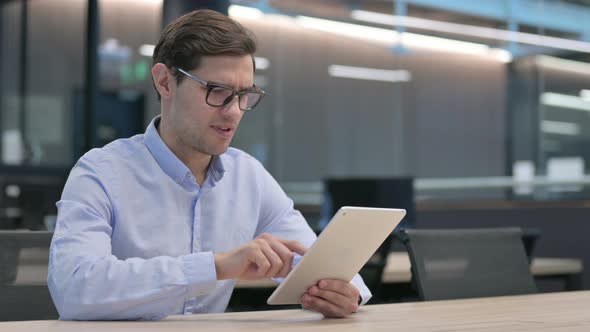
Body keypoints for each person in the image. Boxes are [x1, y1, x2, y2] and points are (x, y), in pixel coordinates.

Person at [48, 9, 371, 321]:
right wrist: (216, 266)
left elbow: (319, 265)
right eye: (217, 91)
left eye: (244, 94)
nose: (233, 112)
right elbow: (75, 289)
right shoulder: (101, 172)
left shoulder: (247, 176)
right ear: (165, 82)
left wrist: (340, 293)